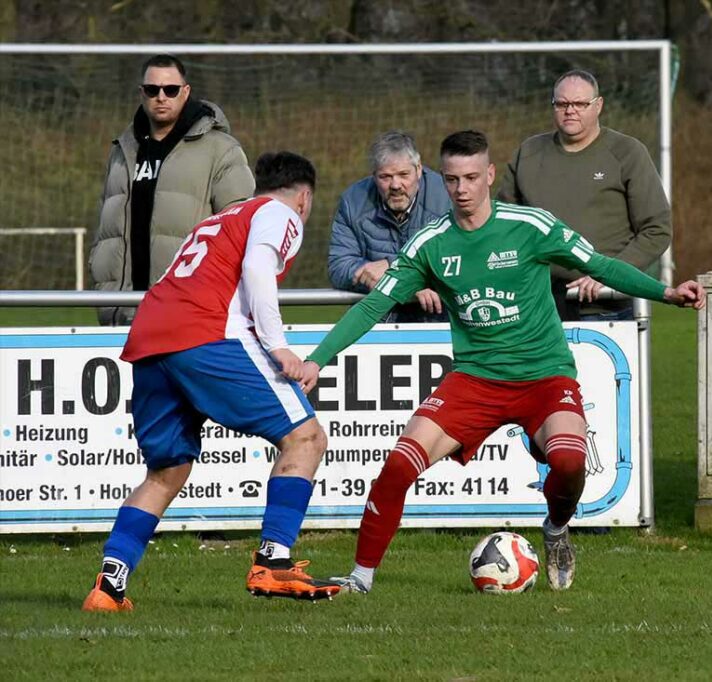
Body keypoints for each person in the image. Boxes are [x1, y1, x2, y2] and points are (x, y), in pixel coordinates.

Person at [301, 130, 705, 594]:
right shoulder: (431, 244)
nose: (462, 189)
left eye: (472, 177)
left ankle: (555, 529)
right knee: (398, 465)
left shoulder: (530, 226)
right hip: (474, 381)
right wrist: (318, 360)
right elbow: (372, 307)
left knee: (570, 462)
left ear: (489, 175)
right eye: (452, 179)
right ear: (442, 180)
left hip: (543, 377)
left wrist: (666, 292)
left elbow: (600, 265)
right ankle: (361, 579)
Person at [82, 152, 339, 612]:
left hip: (150, 339)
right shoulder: (279, 213)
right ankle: (273, 561)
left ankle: (108, 586)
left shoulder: (221, 218)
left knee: (166, 471)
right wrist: (278, 347)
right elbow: (259, 268)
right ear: (304, 198)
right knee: (306, 437)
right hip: (205, 336)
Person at [91, 53, 255, 325]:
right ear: (141, 93)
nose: (161, 97)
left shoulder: (221, 150)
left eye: (171, 89)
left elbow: (240, 232)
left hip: (188, 316)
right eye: (152, 90)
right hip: (123, 314)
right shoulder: (122, 151)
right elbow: (106, 229)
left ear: (186, 91)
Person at [498, 69, 671, 320]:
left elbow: (657, 230)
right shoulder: (528, 152)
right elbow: (504, 227)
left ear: (598, 105)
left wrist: (610, 275)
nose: (570, 110)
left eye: (580, 103)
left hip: (606, 308)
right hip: (536, 307)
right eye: (562, 103)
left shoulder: (627, 152)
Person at [327, 131, 450, 322]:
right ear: (374, 176)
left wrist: (394, 270)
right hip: (376, 325)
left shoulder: (447, 197)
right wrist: (368, 272)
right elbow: (338, 266)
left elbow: (463, 260)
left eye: (403, 174)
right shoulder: (353, 201)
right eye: (385, 176)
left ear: (418, 169)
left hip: (440, 324)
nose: (395, 185)